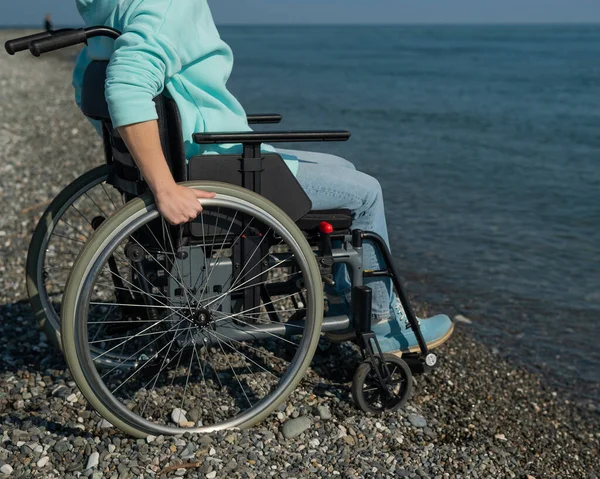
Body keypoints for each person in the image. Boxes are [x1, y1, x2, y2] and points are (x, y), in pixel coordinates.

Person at [72, 0, 454, 355]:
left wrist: (137, 159)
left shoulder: (108, 8)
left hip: (208, 151)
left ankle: (343, 298)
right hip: (217, 165)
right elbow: (125, 87)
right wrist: (163, 185)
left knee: (344, 170)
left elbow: (85, 80)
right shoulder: (169, 4)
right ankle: (380, 322)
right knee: (367, 193)